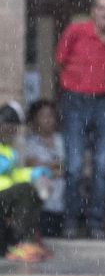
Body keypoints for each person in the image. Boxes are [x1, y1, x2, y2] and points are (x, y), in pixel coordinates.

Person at [55, 0, 105, 239]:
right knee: (74, 166)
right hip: (75, 101)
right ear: (93, 11)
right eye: (101, 8)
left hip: (103, 102)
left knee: (102, 166)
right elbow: (60, 59)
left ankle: (96, 223)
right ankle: (71, 222)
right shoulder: (76, 31)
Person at [0, 102, 52, 263]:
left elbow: (13, 175)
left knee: (35, 190)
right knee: (25, 190)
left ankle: (29, 241)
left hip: (5, 196)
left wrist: (34, 174)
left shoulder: (7, 149)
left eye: (14, 128)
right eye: (8, 127)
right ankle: (21, 241)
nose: (11, 132)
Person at [23, 100, 65, 238]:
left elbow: (64, 168)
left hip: (62, 204)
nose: (48, 120)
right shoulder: (29, 143)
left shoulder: (63, 141)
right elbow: (31, 166)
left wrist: (43, 167)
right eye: (43, 115)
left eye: (51, 115)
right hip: (41, 206)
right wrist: (53, 166)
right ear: (35, 119)